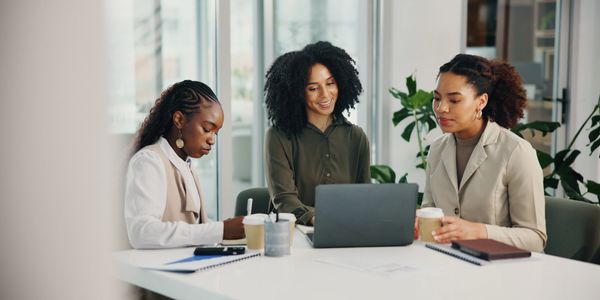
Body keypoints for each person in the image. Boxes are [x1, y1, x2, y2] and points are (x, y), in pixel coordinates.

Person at [420, 53, 547, 252]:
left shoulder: (516, 152)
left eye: (454, 100)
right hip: (446, 264)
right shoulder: (437, 149)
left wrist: (480, 231)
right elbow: (429, 212)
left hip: (501, 272)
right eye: (437, 99)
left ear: (481, 102)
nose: (441, 108)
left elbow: (535, 238)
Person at [124, 80, 245, 249]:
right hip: (161, 271)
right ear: (179, 119)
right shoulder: (149, 161)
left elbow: (192, 224)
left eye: (216, 133)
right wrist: (221, 230)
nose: (212, 140)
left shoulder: (185, 165)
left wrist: (228, 229)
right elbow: (141, 233)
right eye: (207, 129)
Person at [264, 41, 371, 226]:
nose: (325, 94)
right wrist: (315, 218)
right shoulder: (278, 136)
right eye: (313, 88)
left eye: (330, 83)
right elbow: (284, 199)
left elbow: (365, 195)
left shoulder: (356, 137)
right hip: (293, 232)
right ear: (297, 92)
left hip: (346, 229)